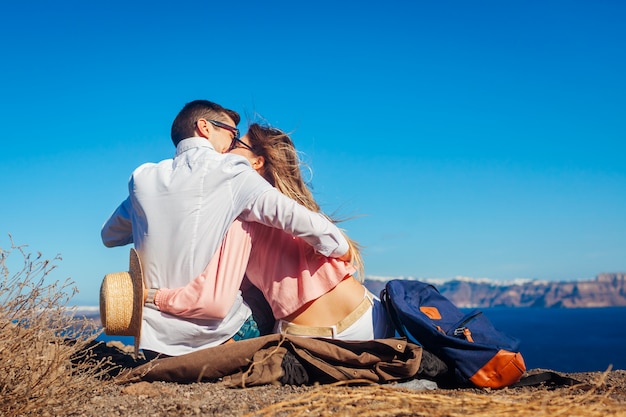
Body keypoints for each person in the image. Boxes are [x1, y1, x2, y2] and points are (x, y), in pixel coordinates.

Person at [101, 101, 351, 357]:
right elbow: (300, 220)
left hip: (155, 343)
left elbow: (109, 236)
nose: (231, 146)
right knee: (261, 293)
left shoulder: (143, 178)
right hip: (217, 338)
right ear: (205, 128)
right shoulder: (232, 173)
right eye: (232, 135)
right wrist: (340, 247)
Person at [149, 123, 394, 340]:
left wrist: (155, 297)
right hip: (369, 320)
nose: (226, 148)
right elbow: (337, 246)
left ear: (257, 162)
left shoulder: (240, 211)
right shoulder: (296, 209)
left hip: (309, 339)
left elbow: (216, 296)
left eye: (236, 143)